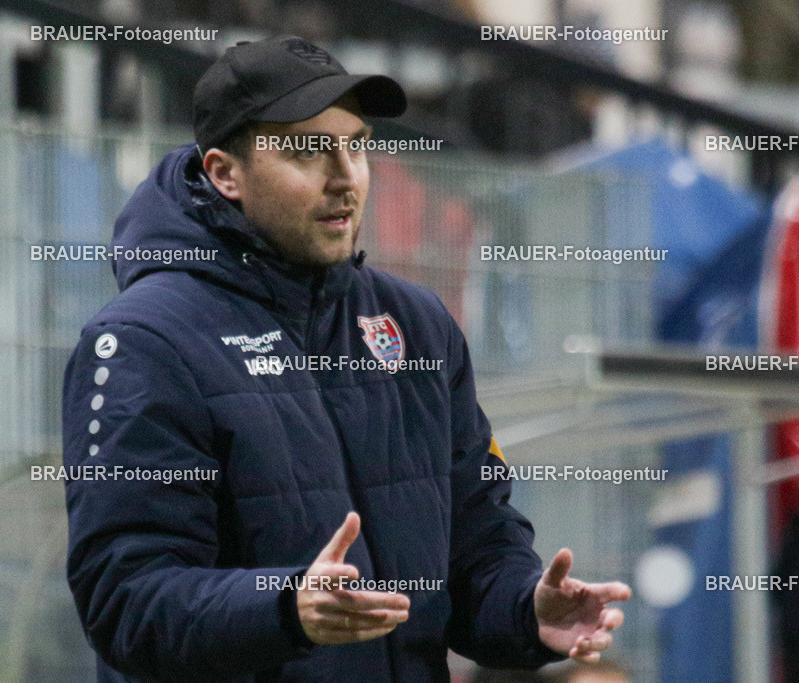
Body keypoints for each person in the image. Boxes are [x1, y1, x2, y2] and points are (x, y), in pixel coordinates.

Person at [61, 35, 630, 682]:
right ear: (225, 174)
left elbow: (478, 551)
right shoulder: (145, 340)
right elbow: (125, 600)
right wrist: (282, 607)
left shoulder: (416, 325)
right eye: (307, 149)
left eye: (355, 144)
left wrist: (528, 610)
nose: (345, 175)